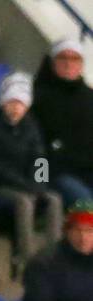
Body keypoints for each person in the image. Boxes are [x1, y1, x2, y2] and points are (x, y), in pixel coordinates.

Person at [0, 71, 64, 269]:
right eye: (12, 102)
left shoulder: (31, 126)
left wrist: (39, 184)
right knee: (24, 201)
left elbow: (40, 158)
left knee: (54, 199)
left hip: (27, 184)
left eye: (21, 103)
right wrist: (25, 186)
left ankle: (53, 257)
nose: (16, 108)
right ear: (3, 102)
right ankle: (28, 259)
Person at [31, 38, 93, 207]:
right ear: (53, 62)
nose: (68, 64)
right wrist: (39, 181)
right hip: (55, 172)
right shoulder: (37, 97)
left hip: (87, 170)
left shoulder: (88, 98)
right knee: (87, 204)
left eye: (74, 59)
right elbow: (34, 146)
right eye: (63, 58)